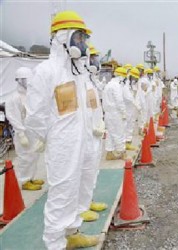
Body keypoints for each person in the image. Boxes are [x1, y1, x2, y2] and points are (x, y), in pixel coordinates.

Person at [25, 10, 99, 249]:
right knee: (61, 194)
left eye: (83, 39)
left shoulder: (76, 73)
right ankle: (55, 243)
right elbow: (35, 115)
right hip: (62, 144)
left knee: (76, 187)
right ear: (62, 38)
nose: (83, 44)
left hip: (82, 140)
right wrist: (49, 138)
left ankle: (72, 232)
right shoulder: (47, 71)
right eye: (79, 38)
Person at [78, 44, 107, 223]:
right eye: (93, 58)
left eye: (97, 58)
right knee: (82, 171)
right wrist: (91, 127)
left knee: (91, 170)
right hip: (85, 135)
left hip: (95, 134)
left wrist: (100, 122)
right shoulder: (80, 80)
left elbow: (95, 107)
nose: (96, 62)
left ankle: (87, 201)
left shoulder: (91, 80)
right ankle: (80, 208)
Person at [5, 67, 44, 191]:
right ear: (20, 81)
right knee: (25, 156)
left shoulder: (30, 95)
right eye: (26, 80)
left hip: (32, 131)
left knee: (34, 155)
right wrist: (21, 133)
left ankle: (31, 177)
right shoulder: (14, 98)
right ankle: (25, 180)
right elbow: (13, 116)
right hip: (23, 133)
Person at [102, 67, 127, 160]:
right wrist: (123, 112)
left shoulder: (108, 85)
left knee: (110, 133)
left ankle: (109, 152)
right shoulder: (116, 86)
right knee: (119, 132)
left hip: (108, 113)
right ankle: (122, 152)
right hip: (116, 113)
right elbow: (119, 100)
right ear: (121, 76)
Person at [122, 65, 140, 150]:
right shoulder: (125, 84)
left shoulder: (131, 83)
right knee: (125, 124)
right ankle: (124, 142)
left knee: (131, 123)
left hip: (131, 108)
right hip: (126, 107)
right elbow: (128, 96)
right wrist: (135, 103)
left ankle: (128, 141)